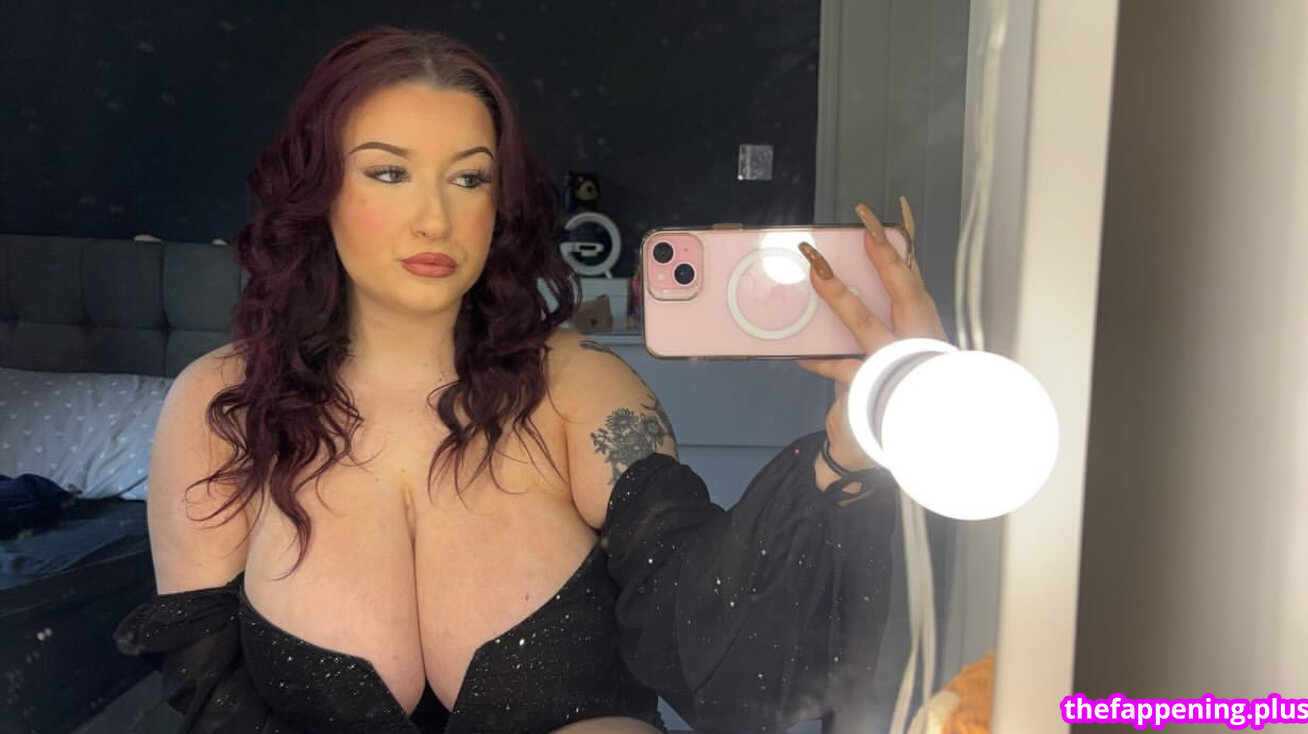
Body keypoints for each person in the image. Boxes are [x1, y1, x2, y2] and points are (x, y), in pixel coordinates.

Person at [115, 26, 949, 734]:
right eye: (389, 172)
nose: (435, 217)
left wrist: (846, 450)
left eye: (468, 177)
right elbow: (208, 692)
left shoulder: (580, 392)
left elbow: (709, 628)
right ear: (321, 189)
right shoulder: (224, 410)